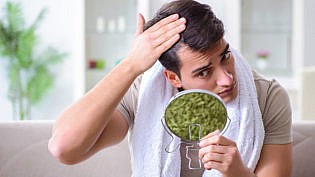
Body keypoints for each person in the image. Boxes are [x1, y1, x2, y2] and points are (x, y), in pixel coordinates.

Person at [48, 0, 292, 176]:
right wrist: (130, 65)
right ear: (173, 78)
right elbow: (64, 148)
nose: (227, 79)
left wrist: (237, 172)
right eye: (204, 72)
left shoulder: (267, 97)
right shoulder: (144, 93)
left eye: (225, 56)